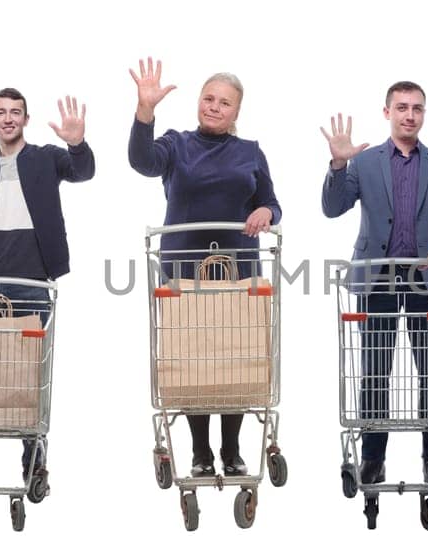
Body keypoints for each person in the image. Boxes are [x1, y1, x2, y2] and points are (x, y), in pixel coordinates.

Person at [128, 58, 281, 477]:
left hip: (237, 271)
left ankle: (231, 451)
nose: (214, 107)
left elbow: (272, 202)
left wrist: (266, 210)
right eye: (208, 98)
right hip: (183, 270)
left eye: (225, 103)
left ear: (237, 112)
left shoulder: (250, 152)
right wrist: (145, 111)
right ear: (199, 101)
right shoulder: (176, 144)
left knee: (234, 357)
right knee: (192, 358)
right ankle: (200, 454)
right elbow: (142, 162)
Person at [320, 81, 428, 485]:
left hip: (426, 278)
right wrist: (337, 165)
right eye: (401, 107)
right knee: (375, 371)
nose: (409, 115)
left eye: (417, 108)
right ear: (387, 112)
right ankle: (372, 457)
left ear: (424, 114)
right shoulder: (365, 163)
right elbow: (333, 209)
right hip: (377, 277)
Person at [0, 87, 94, 486]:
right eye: (1, 112)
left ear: (26, 119)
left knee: (30, 373)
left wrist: (77, 143)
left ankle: (33, 460)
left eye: (16, 112)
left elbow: (83, 172)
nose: (8, 118)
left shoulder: (45, 158)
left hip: (31, 281)